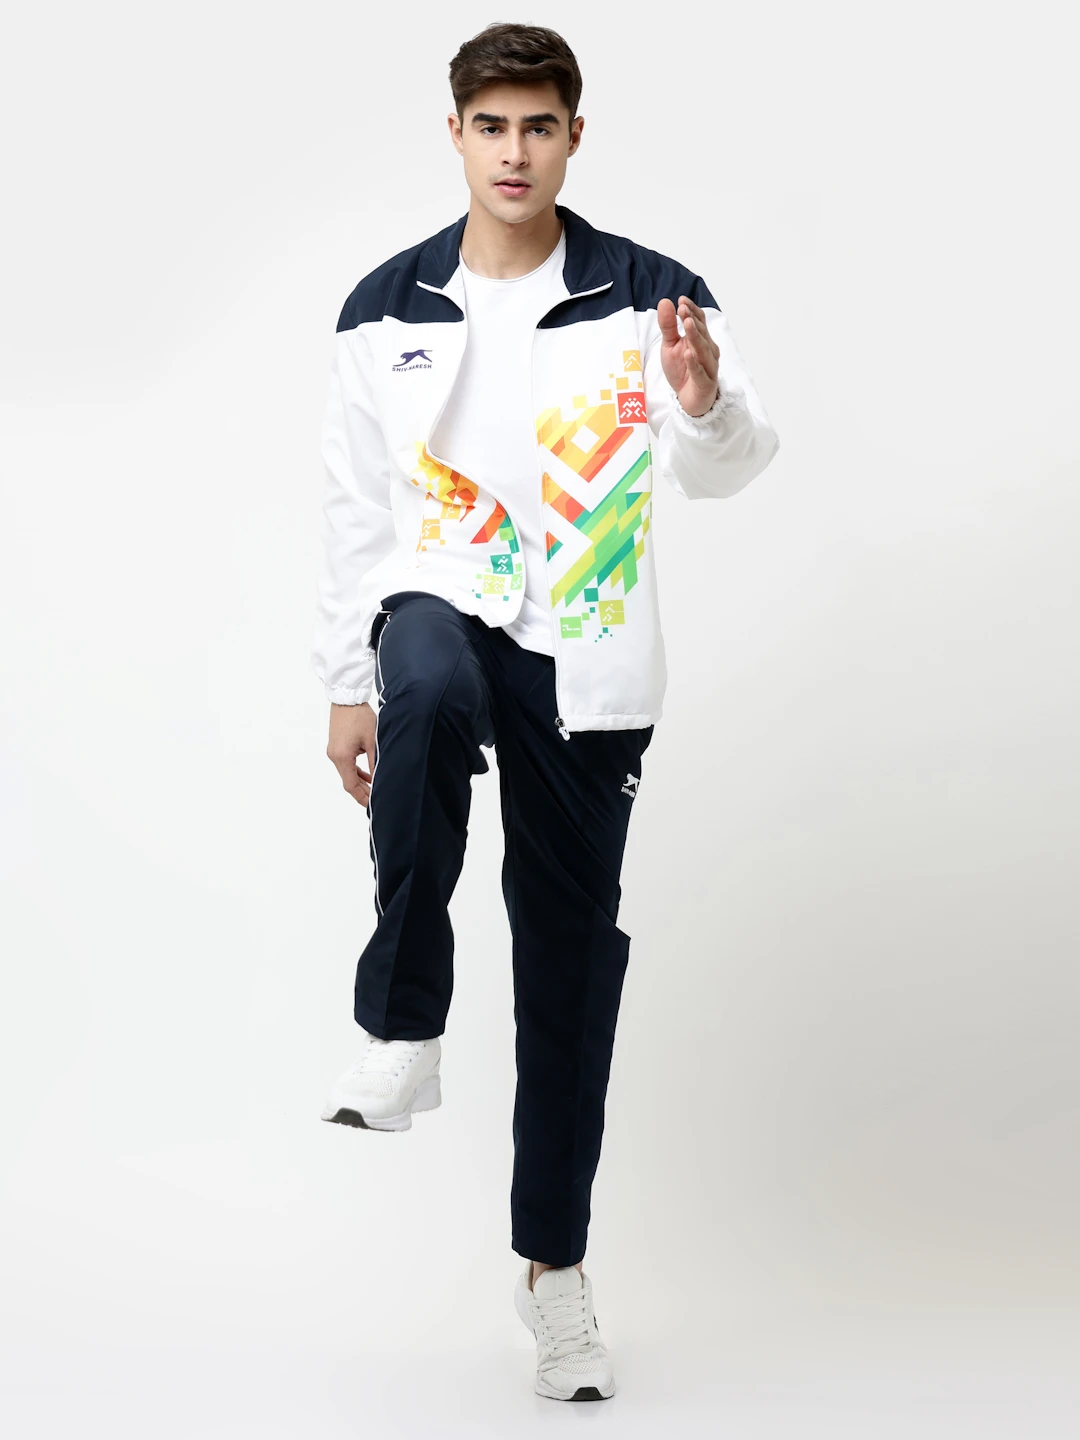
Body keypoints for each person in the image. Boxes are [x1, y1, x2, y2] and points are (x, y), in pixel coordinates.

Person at [311, 22, 779, 1402]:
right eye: (491, 126)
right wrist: (346, 681)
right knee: (425, 678)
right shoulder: (383, 308)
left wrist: (702, 405)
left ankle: (555, 1280)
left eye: (538, 127)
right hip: (444, 593)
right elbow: (355, 511)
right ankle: (404, 1029)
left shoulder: (651, 294)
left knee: (568, 965)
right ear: (455, 135)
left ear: (575, 137)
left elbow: (732, 463)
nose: (514, 152)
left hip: (586, 649)